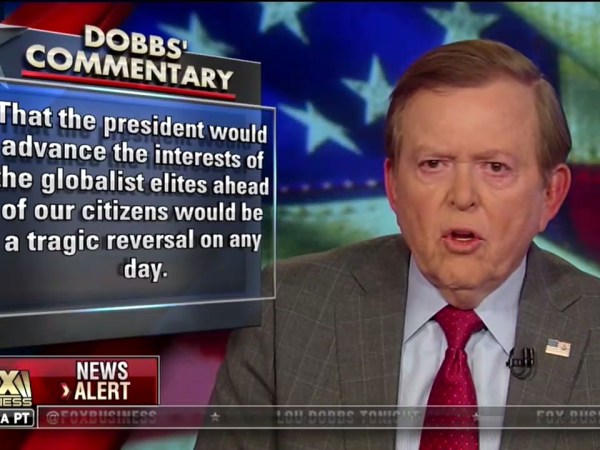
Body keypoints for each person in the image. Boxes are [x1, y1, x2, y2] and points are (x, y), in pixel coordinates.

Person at [195, 39, 600, 450]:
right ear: (393, 186)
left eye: (496, 167)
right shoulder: (287, 312)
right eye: (433, 164)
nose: (462, 196)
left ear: (551, 194)